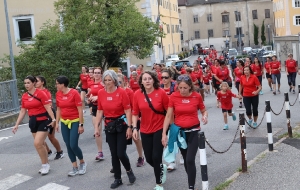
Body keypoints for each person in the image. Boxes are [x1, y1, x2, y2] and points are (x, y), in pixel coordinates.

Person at [161, 74, 208, 190]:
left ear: (190, 87)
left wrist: (205, 117)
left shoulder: (196, 96)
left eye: (185, 88)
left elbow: (203, 110)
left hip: (194, 131)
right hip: (181, 133)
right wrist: (164, 134)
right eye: (180, 87)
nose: (182, 90)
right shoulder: (173, 97)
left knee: (190, 159)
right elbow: (168, 116)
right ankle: (191, 181)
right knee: (187, 160)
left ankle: (191, 187)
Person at [94, 70, 136, 189]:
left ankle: (128, 170)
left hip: (121, 124)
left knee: (120, 153)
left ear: (114, 80)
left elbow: (128, 110)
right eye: (105, 80)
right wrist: (96, 126)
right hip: (109, 125)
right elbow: (100, 110)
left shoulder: (121, 92)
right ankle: (118, 178)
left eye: (110, 80)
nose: (107, 83)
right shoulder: (101, 93)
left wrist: (129, 127)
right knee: (113, 153)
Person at [132, 71, 169, 190]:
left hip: (159, 127)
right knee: (148, 158)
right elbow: (135, 113)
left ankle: (159, 184)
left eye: (149, 78)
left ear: (153, 80)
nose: (147, 81)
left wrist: (166, 131)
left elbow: (169, 112)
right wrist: (134, 128)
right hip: (144, 129)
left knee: (156, 156)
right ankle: (161, 168)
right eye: (145, 79)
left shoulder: (161, 93)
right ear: (141, 82)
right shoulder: (137, 94)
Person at [12, 76, 56, 175]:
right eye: (25, 83)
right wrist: (16, 125)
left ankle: (45, 165)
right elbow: (23, 111)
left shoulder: (41, 93)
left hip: (44, 120)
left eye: (28, 83)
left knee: (37, 143)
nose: (26, 85)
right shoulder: (24, 96)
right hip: (33, 121)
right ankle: (46, 163)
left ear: (33, 83)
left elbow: (48, 108)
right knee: (40, 145)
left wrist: (53, 119)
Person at [55, 76, 87, 176]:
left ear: (62, 84)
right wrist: (57, 122)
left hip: (75, 120)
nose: (56, 85)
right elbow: (59, 109)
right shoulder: (58, 94)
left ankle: (82, 162)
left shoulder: (74, 93)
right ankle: (74, 167)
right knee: (68, 145)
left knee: (73, 144)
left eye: (57, 83)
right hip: (64, 121)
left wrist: (81, 125)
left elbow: (79, 109)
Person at [117, 73, 145, 167]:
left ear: (124, 82)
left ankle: (141, 157)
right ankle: (118, 162)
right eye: (116, 82)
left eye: (120, 82)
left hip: (131, 117)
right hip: (119, 120)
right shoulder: (113, 92)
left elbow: (134, 107)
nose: (118, 83)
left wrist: (134, 120)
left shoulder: (129, 92)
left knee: (135, 138)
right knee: (120, 141)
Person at [35, 75, 64, 160]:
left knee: (51, 136)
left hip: (48, 115)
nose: (35, 83)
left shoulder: (46, 92)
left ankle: (59, 151)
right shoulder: (33, 92)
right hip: (38, 117)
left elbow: (49, 105)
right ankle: (48, 151)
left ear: (42, 82)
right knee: (38, 137)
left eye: (37, 81)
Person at [86, 67, 105, 161]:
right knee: (97, 130)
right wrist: (90, 98)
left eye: (98, 73)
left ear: (101, 74)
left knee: (110, 130)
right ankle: (100, 152)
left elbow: (108, 94)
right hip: (95, 108)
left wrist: (98, 97)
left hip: (106, 107)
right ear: (93, 74)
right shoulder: (91, 83)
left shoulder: (104, 83)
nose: (96, 74)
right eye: (95, 73)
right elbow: (91, 94)